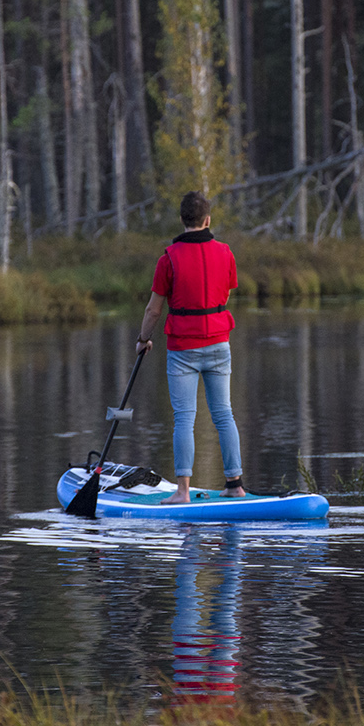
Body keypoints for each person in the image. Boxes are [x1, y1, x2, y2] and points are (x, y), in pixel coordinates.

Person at [136, 191, 245, 503]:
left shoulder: (167, 259)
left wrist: (143, 340)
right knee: (224, 414)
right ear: (207, 220)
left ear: (181, 220)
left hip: (182, 349)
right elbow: (224, 294)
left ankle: (182, 492)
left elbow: (153, 310)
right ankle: (234, 484)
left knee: (184, 417)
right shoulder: (226, 253)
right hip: (218, 344)